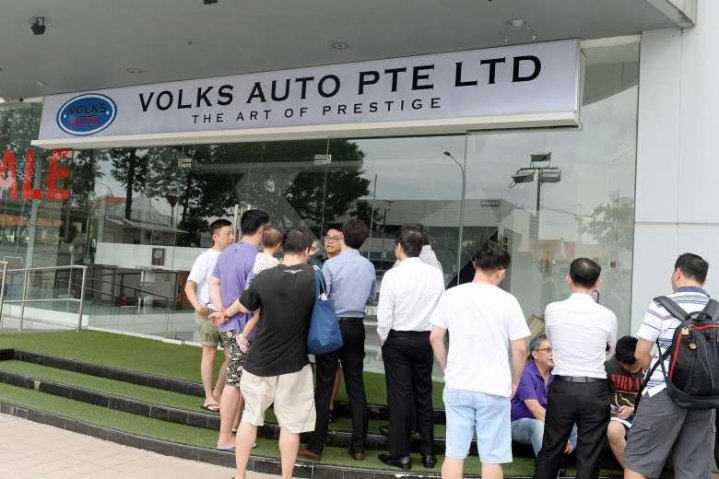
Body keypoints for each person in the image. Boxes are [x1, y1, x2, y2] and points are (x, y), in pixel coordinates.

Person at [213, 228, 317, 479]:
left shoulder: (264, 277)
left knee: (250, 418)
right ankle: (286, 477)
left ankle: (240, 475)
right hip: (295, 364)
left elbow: (245, 304)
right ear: (306, 251)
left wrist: (225, 314)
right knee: (291, 426)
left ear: (282, 247)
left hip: (259, 362)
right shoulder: (314, 278)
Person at [430, 241, 530, 479]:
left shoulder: (452, 295)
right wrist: (515, 381)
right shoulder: (508, 301)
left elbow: (435, 337)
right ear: (501, 272)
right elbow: (520, 349)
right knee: (492, 457)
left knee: (454, 453)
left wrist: (447, 367)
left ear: (475, 264)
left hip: (458, 383)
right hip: (494, 386)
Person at [624, 253, 714, 479]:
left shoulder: (661, 305)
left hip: (663, 393)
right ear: (704, 279)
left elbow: (640, 353)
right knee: (693, 469)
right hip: (704, 398)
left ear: (677, 274)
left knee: (639, 463)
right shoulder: (716, 310)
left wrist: (655, 372)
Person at [299, 218, 377, 462]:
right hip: (356, 326)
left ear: (342, 237)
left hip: (332, 325)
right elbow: (371, 297)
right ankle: (358, 446)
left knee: (324, 385)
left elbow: (322, 295)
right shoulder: (368, 266)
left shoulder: (331, 265)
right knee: (356, 386)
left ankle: (316, 446)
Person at [535, 258, 617, 479]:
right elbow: (610, 352)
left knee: (551, 449)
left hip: (563, 386)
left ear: (569, 279)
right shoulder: (608, 315)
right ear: (598, 283)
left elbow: (552, 341)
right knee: (590, 455)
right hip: (594, 388)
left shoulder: (553, 310)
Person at [376, 224, 445, 470]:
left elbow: (384, 316)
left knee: (400, 397)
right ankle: (428, 454)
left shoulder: (393, 275)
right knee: (424, 395)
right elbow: (441, 310)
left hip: (398, 340)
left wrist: (384, 340)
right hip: (425, 339)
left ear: (399, 247)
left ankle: (401, 455)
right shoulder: (435, 274)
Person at [209, 209, 269, 451]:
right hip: (243, 329)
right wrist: (227, 312)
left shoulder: (226, 253)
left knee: (239, 378)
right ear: (262, 230)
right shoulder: (257, 259)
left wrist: (219, 307)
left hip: (227, 326)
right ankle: (225, 436)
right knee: (235, 381)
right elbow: (249, 299)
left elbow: (214, 282)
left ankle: (234, 428)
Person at [184, 218, 235, 412]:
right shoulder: (206, 257)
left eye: (233, 233)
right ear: (215, 236)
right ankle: (208, 397)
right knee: (210, 352)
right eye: (227, 234)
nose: (232, 237)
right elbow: (190, 286)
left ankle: (218, 393)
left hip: (228, 313)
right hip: (209, 312)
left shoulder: (233, 256)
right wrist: (199, 307)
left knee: (231, 356)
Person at [511, 334, 576, 459]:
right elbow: (535, 409)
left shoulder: (556, 374)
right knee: (537, 425)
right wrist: (559, 435)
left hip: (547, 423)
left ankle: (558, 459)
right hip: (519, 425)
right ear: (535, 354)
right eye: (548, 350)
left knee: (581, 424)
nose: (553, 354)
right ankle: (549, 467)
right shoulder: (526, 373)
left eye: (555, 350)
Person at [237, 225, 283, 351]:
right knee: (257, 317)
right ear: (279, 245)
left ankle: (245, 336)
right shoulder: (274, 262)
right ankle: (243, 337)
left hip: (251, 289)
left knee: (256, 317)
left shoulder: (257, 256)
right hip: (260, 293)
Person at [604, 336, 642, 469]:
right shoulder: (608, 366)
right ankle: (633, 473)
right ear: (620, 361)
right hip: (618, 416)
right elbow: (600, 392)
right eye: (629, 367)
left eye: (636, 365)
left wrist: (632, 409)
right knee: (613, 430)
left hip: (644, 412)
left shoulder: (650, 365)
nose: (634, 370)